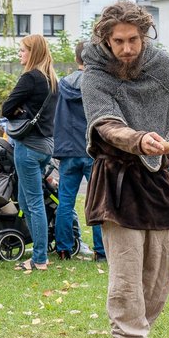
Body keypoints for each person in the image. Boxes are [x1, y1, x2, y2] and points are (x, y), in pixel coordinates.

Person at [81, 0, 169, 338]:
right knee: (126, 273)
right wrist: (137, 140)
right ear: (105, 39)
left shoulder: (162, 65)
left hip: (159, 181)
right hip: (118, 182)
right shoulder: (95, 74)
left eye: (133, 40)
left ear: (145, 35)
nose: (126, 49)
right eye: (118, 41)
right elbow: (105, 125)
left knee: (160, 272)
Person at [1, 34, 59, 272]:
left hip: (28, 146)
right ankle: (39, 252)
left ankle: (39, 258)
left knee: (33, 203)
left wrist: (19, 111)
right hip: (46, 145)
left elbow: (6, 108)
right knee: (26, 200)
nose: (20, 55)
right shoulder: (52, 78)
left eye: (23, 51)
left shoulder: (30, 77)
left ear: (32, 52)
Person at [52, 41, 105, 262]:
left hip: (68, 151)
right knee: (98, 201)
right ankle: (101, 250)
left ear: (76, 59)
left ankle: (64, 248)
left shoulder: (63, 85)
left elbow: (57, 117)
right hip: (92, 150)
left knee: (65, 202)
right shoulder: (97, 83)